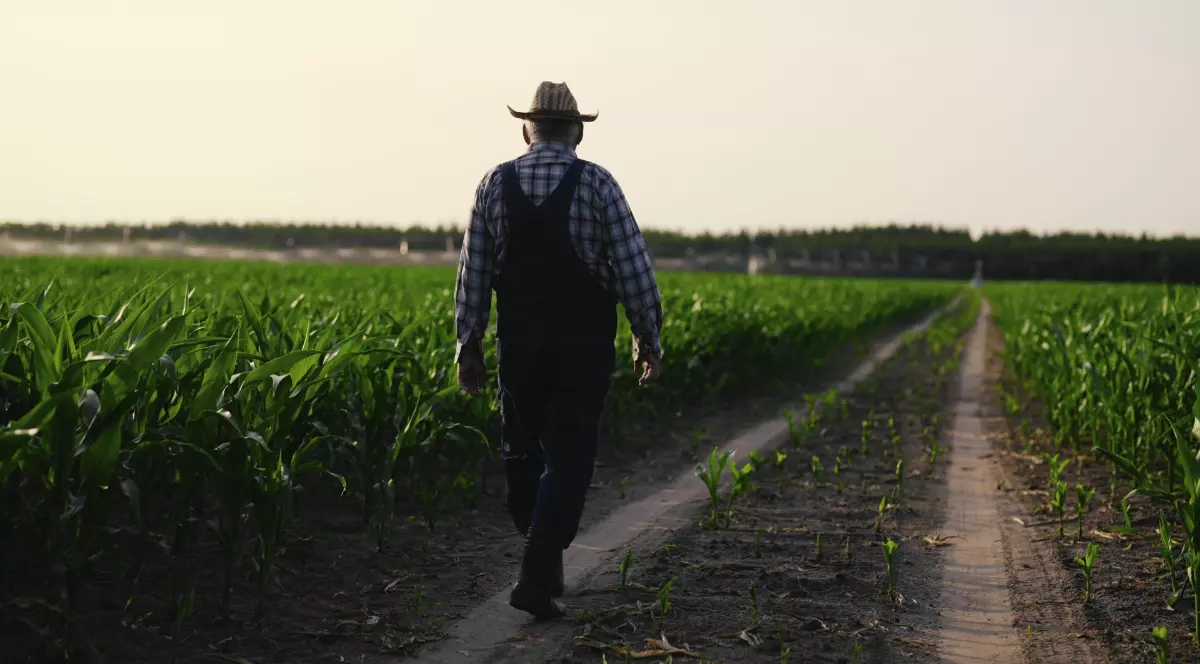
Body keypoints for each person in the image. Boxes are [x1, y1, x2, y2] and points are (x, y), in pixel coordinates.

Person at [453, 81, 664, 619]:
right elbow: (634, 268)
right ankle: (537, 570)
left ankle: (542, 563)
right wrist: (647, 338)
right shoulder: (598, 183)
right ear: (577, 133)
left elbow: (474, 272)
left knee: (523, 452)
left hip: (519, 343)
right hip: (583, 344)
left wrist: (468, 344)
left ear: (527, 131)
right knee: (569, 455)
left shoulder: (493, 184)